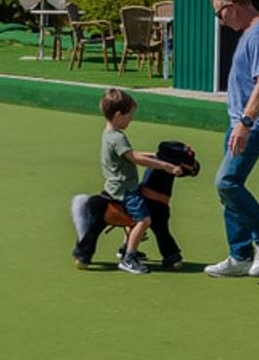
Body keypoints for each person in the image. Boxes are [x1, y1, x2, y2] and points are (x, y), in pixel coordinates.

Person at [204, 0, 259, 278]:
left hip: (254, 125)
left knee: (226, 183)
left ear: (233, 7)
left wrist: (246, 123)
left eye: (219, 14)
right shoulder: (250, 32)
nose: (220, 20)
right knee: (230, 189)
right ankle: (239, 255)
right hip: (239, 123)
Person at [75, 89, 186, 275]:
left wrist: (153, 154)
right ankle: (129, 258)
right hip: (125, 189)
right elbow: (134, 158)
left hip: (113, 186)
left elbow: (129, 154)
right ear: (118, 115)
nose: (130, 120)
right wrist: (166, 166)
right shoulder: (118, 137)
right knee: (144, 220)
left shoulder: (109, 134)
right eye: (129, 116)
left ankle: (117, 249)